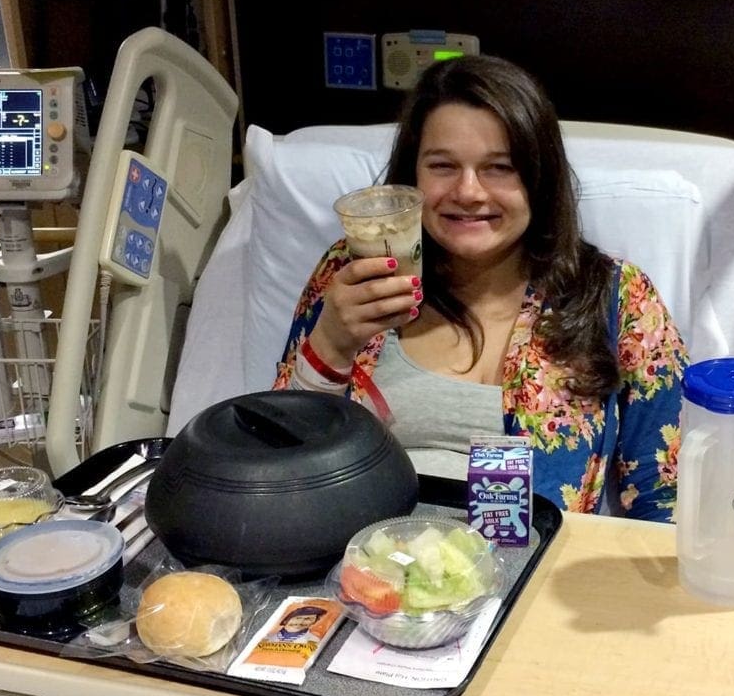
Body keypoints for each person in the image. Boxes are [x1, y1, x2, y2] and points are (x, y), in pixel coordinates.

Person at [273, 54, 687, 522]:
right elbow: (280, 466)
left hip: (533, 578)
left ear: (540, 178)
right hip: (356, 573)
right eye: (443, 166)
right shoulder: (355, 275)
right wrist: (330, 344)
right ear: (412, 178)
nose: (469, 192)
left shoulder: (615, 299)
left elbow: (663, 501)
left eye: (499, 168)